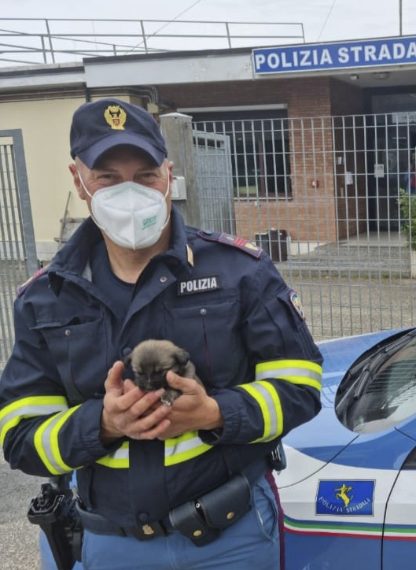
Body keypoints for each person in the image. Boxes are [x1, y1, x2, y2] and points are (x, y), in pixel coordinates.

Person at [0, 97, 323, 570]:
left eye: (145, 175)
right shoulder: (45, 298)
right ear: (79, 181)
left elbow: (301, 388)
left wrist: (215, 413)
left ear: (168, 175)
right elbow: (19, 436)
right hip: (110, 545)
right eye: (108, 177)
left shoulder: (240, 272)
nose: (129, 193)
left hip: (230, 538)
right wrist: (102, 425)